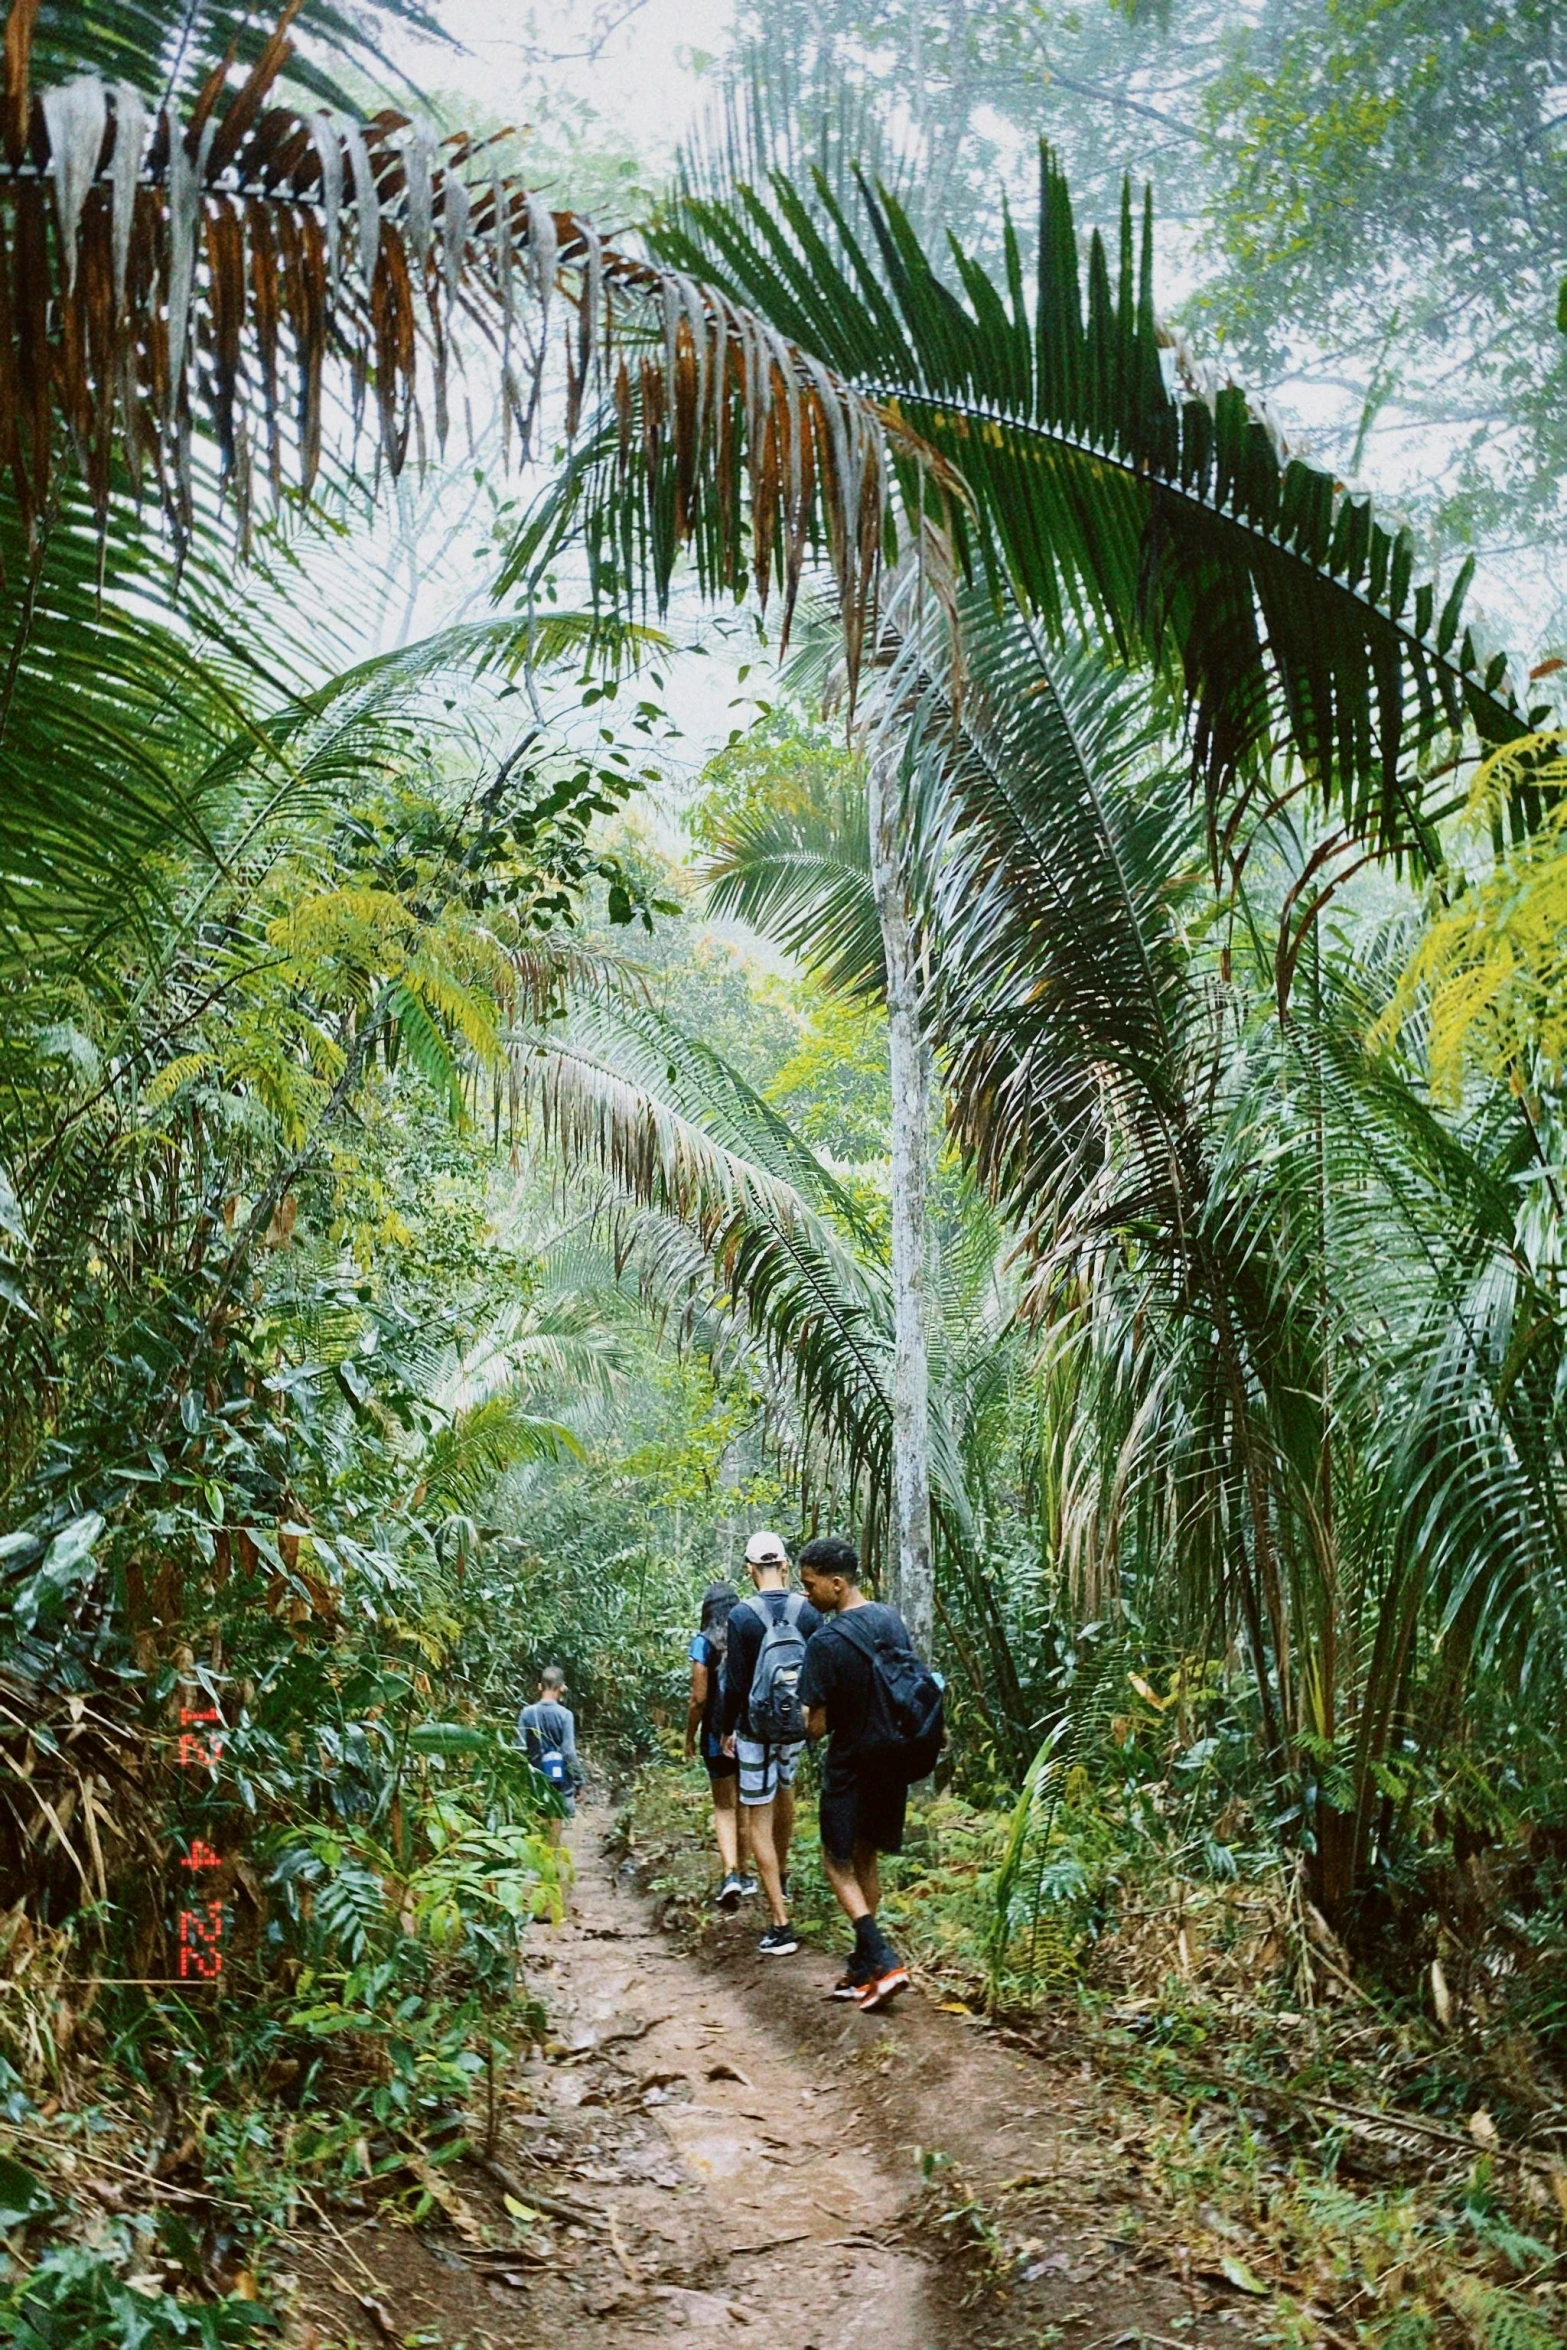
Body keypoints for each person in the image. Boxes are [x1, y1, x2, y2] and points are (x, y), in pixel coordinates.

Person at [797, 1535, 913, 2010]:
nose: (807, 1594)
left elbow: (818, 1726)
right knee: (866, 1859)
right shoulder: (891, 1620)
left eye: (811, 1585)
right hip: (894, 1759)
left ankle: (883, 1958)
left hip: (851, 1763)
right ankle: (864, 1970)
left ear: (837, 1584)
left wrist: (804, 1721)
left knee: (835, 1861)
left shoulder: (825, 1641)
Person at [719, 1530, 821, 1956]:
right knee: (787, 1790)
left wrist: (727, 1729)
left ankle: (780, 1921)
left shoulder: (742, 1616)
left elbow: (738, 1683)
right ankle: (785, 1874)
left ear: (749, 1569)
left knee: (757, 1816)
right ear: (784, 1565)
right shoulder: (809, 1611)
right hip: (796, 1725)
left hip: (756, 1729)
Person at [684, 1579, 758, 1909]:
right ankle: (745, 1873)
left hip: (716, 1735)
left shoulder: (703, 1643)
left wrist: (689, 1738)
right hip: (749, 1733)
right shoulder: (748, 1636)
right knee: (745, 1803)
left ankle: (729, 1874)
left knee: (724, 1806)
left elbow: (698, 1698)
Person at [518, 1664, 584, 1842]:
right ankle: (551, 1864)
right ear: (561, 1688)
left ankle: (540, 1865)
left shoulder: (526, 1713)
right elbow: (568, 1752)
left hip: (535, 1780)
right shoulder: (565, 1715)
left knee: (538, 1830)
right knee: (554, 1832)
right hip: (559, 1781)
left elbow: (519, 1748)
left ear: (539, 1686)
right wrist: (578, 1780)